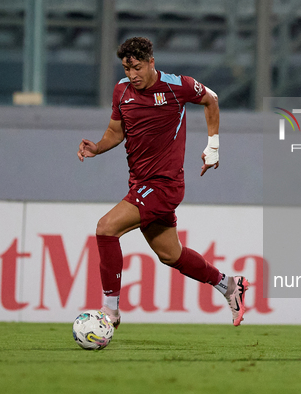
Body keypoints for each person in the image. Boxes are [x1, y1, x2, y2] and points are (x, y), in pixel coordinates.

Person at [77, 37, 248, 328]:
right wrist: (97, 147)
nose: (133, 75)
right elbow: (115, 132)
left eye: (138, 68)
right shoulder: (122, 91)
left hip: (164, 185)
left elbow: (211, 98)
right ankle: (229, 286)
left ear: (151, 62)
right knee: (171, 255)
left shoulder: (175, 86)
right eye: (127, 69)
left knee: (106, 229)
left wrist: (214, 146)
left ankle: (110, 312)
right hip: (141, 184)